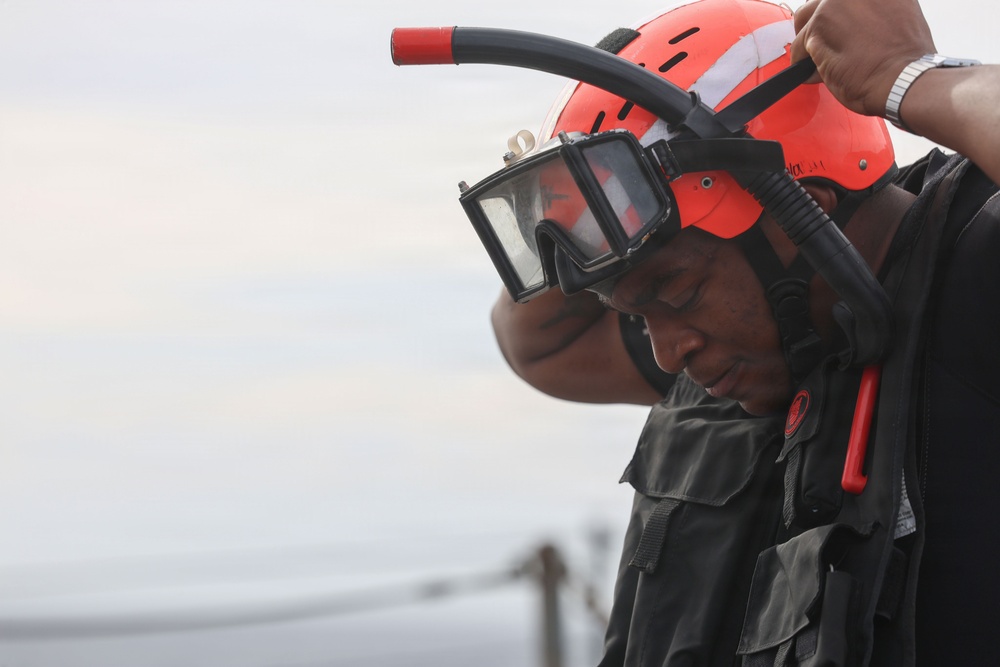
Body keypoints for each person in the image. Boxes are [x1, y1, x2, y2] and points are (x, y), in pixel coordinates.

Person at [398, 0, 1000, 663]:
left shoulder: (971, 272)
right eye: (634, 314)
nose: (667, 350)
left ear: (806, 210)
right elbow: (534, 340)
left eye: (677, 291)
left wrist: (913, 77)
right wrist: (582, 191)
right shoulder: (738, 353)